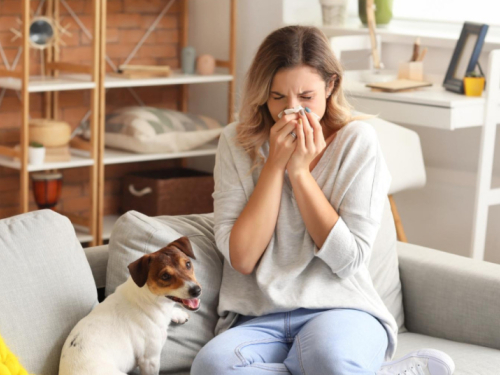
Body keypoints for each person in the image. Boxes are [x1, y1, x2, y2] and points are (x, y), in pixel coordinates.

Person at [191, 25, 455, 375]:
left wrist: (300, 174)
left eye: (306, 96)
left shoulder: (357, 142)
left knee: (326, 360)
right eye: (277, 98)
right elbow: (241, 258)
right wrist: (274, 167)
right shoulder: (235, 143)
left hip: (341, 310)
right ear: (261, 95)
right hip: (256, 317)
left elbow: (348, 260)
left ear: (330, 86)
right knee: (211, 367)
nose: (292, 111)